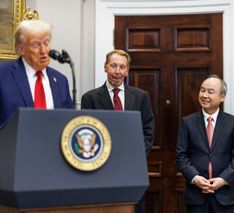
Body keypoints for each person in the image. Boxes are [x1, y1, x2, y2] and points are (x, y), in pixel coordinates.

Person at [81, 49, 154, 213]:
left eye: (122, 67)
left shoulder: (141, 97)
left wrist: (135, 155)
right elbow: (87, 134)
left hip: (133, 168)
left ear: (127, 70)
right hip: (101, 170)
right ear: (105, 67)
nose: (117, 71)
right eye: (113, 66)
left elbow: (148, 130)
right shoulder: (90, 99)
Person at [176, 75, 234, 213]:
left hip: (224, 194)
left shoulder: (233, 123)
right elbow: (181, 156)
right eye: (202, 90)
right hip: (196, 194)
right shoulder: (188, 122)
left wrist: (223, 179)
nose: (204, 95)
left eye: (210, 92)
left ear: (222, 97)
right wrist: (195, 178)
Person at [0, 19, 72, 127]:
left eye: (46, 43)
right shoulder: (3, 74)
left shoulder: (61, 81)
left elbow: (68, 123)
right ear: (21, 49)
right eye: (36, 45)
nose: (43, 50)